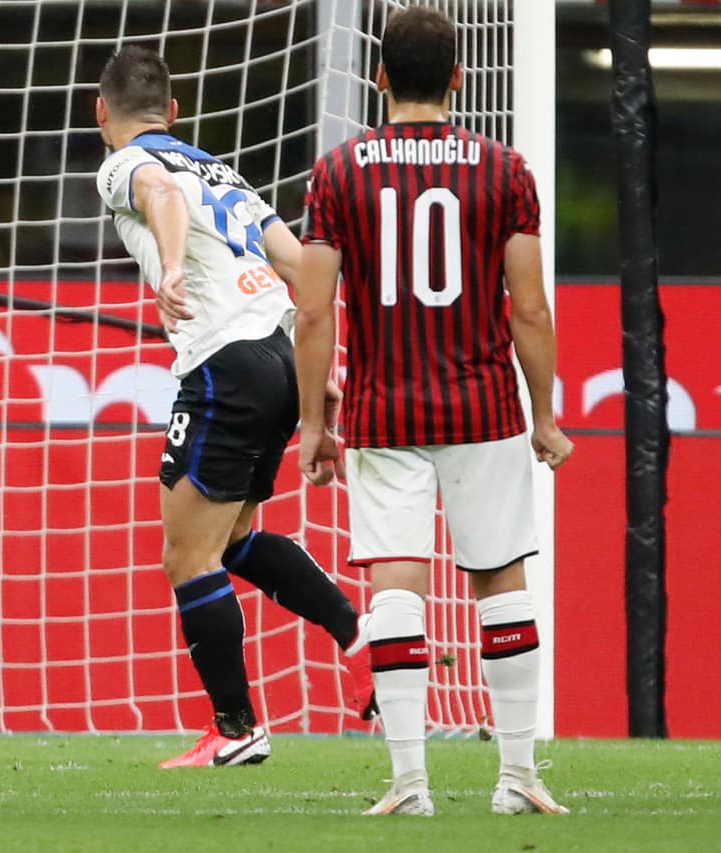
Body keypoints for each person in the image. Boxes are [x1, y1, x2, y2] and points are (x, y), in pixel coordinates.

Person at [295, 7, 574, 817]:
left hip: (385, 415)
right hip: (483, 406)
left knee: (397, 585)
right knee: (501, 580)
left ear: (379, 77)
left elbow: (314, 313)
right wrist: (545, 415)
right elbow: (530, 307)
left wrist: (315, 423)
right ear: (459, 78)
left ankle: (410, 781)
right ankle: (517, 777)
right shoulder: (504, 169)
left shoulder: (339, 171)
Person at [95, 45, 373, 770]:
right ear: (176, 112)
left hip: (225, 360)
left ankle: (236, 725)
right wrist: (316, 373)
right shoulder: (223, 170)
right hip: (278, 355)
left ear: (103, 112)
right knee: (236, 536)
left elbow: (163, 196)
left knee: (187, 553)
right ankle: (356, 632)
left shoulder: (124, 164)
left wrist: (176, 265)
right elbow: (299, 261)